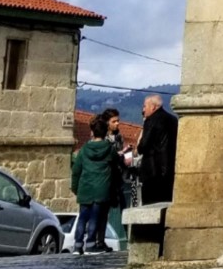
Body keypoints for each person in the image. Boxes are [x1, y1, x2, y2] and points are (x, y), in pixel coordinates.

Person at [70, 109, 124, 254]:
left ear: (93, 131)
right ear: (105, 131)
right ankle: (91, 243)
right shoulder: (109, 149)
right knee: (95, 216)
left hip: (85, 188)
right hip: (101, 188)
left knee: (82, 217)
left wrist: (75, 188)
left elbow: (76, 171)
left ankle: (78, 244)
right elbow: (116, 164)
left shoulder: (84, 150)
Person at [131, 94, 178, 205]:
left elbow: (143, 145)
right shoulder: (173, 120)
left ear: (152, 107)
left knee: (151, 205)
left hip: (152, 171)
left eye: (144, 106)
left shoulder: (151, 120)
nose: (143, 109)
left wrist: (139, 147)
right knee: (166, 203)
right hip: (169, 169)